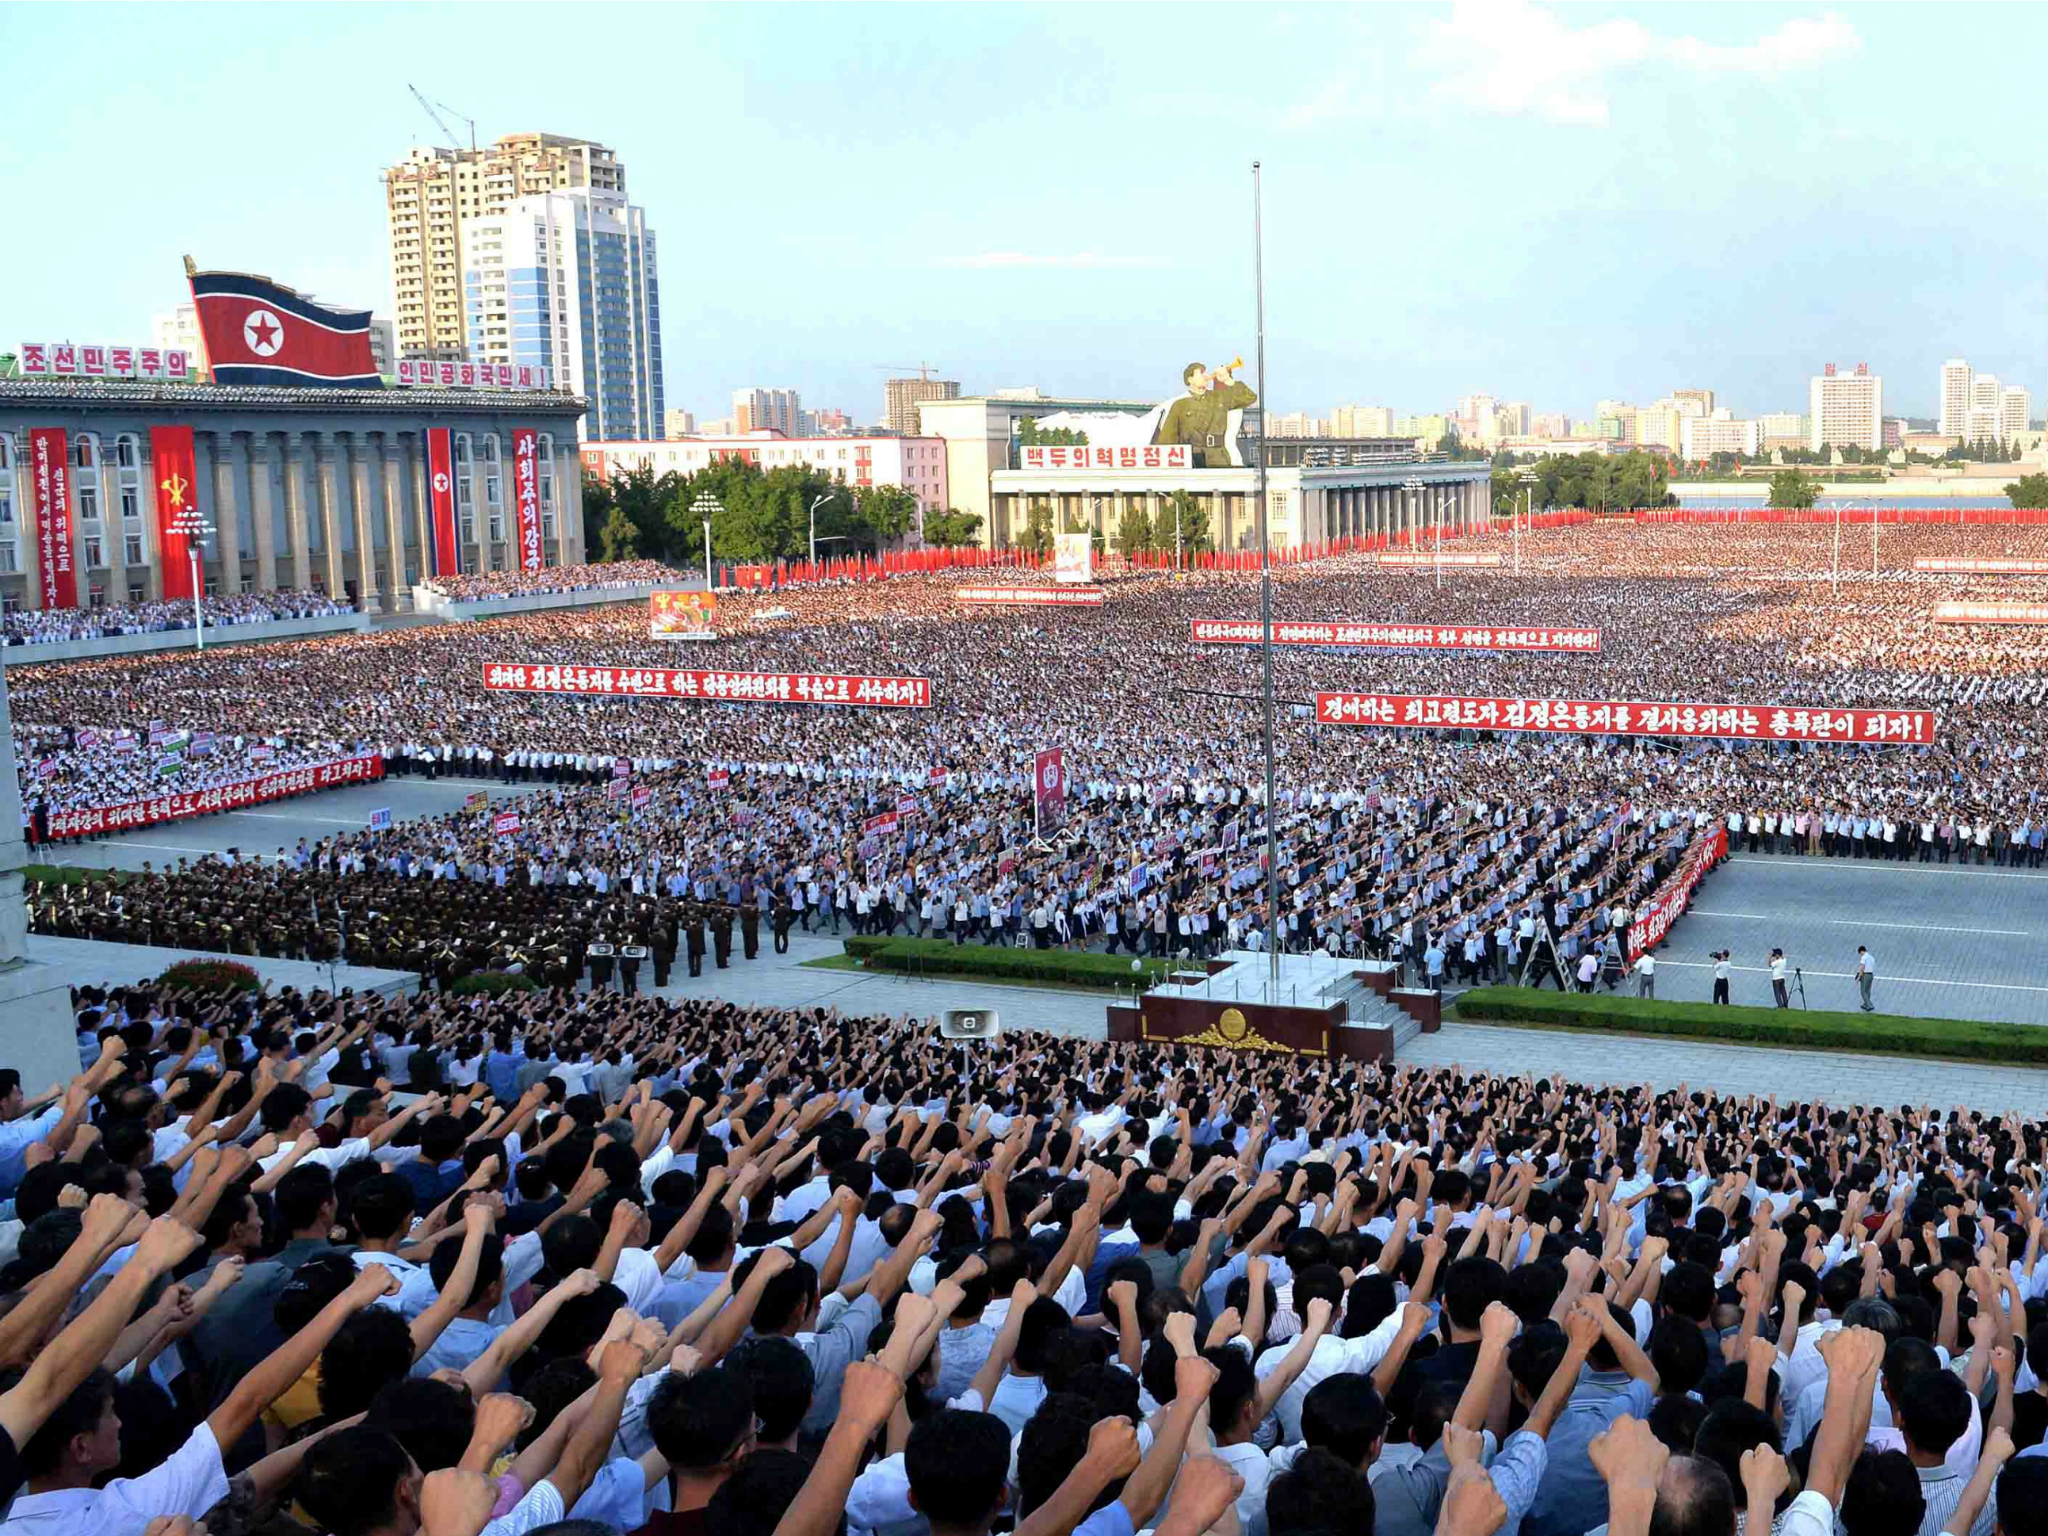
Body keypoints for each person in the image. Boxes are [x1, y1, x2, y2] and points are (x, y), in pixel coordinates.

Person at [1856, 945, 1877, 1012]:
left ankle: (1869, 1005)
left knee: (1863, 991)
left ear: (1862, 951)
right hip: (1871, 975)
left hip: (1865, 975)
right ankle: (1865, 1004)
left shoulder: (1864, 957)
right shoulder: (1871, 957)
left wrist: (1859, 976)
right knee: (1868, 990)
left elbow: (1862, 967)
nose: (1860, 955)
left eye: (1860, 953)